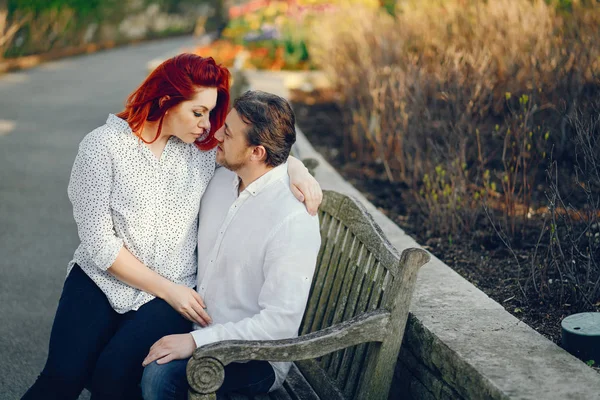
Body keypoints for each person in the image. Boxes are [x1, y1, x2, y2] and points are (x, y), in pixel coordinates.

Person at [22, 54, 322, 400]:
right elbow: (99, 244)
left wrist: (297, 169)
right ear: (166, 101)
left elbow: (261, 156)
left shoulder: (202, 153)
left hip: (169, 296)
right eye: (199, 113)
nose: (208, 126)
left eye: (211, 114)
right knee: (62, 378)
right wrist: (168, 289)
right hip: (103, 279)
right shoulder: (102, 147)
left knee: (112, 379)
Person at [140, 90, 321, 399]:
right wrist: (296, 164)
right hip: (196, 319)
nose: (216, 133)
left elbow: (278, 323)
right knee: (117, 352)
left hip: (254, 354)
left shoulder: (292, 219)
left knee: (160, 376)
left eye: (228, 132)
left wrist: (198, 343)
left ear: (257, 153)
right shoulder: (223, 176)